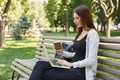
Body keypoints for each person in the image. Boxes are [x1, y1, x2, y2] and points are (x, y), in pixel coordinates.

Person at [29, 5, 99, 80]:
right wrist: (63, 53)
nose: (74, 21)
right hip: (72, 67)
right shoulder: (81, 32)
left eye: (77, 18)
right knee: (40, 64)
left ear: (85, 18)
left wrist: (70, 64)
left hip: (81, 72)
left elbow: (91, 60)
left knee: (45, 74)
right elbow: (77, 55)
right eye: (74, 18)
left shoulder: (92, 34)